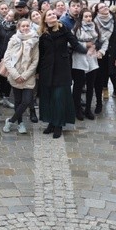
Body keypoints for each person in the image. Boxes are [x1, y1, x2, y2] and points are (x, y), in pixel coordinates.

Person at [37, 10, 86, 139]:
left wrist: (86, 51)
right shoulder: (42, 34)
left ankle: (58, 124)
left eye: (54, 14)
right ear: (45, 20)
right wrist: (37, 71)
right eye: (49, 15)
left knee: (59, 98)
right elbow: (40, 54)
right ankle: (51, 123)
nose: (52, 15)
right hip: (46, 69)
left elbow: (74, 43)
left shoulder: (64, 29)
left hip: (62, 69)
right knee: (49, 98)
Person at [2, 18, 39, 134]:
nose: (25, 28)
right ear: (19, 28)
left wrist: (25, 75)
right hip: (15, 75)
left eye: (27, 26)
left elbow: (35, 61)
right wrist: (16, 75)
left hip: (28, 76)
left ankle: (11, 120)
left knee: (27, 100)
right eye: (23, 26)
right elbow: (7, 59)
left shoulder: (35, 41)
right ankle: (20, 123)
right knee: (18, 101)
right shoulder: (13, 40)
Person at [71, 9, 106, 120]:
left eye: (90, 16)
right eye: (86, 16)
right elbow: (71, 43)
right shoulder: (76, 28)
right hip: (79, 59)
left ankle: (88, 109)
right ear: (81, 17)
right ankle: (77, 109)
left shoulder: (95, 27)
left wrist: (97, 48)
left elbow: (102, 40)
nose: (88, 19)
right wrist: (85, 45)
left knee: (91, 86)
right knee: (78, 85)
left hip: (92, 59)